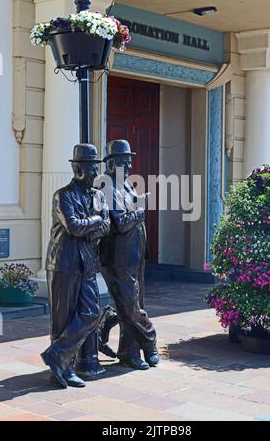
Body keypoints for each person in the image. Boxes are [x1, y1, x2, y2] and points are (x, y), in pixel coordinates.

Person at [41, 144, 110, 388]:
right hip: (64, 263)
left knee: (92, 312)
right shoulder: (63, 195)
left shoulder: (100, 196)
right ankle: (63, 370)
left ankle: (57, 355)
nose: (94, 172)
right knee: (62, 319)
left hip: (88, 263)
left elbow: (107, 227)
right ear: (77, 168)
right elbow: (74, 227)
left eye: (96, 167)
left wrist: (91, 226)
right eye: (91, 166)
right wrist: (94, 222)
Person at [99, 139, 159, 370]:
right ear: (112, 163)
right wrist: (141, 209)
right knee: (130, 307)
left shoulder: (125, 184)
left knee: (132, 304)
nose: (130, 165)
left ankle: (127, 351)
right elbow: (121, 222)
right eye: (125, 161)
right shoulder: (106, 186)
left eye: (130, 160)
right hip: (117, 257)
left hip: (135, 255)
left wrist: (138, 203)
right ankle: (149, 342)